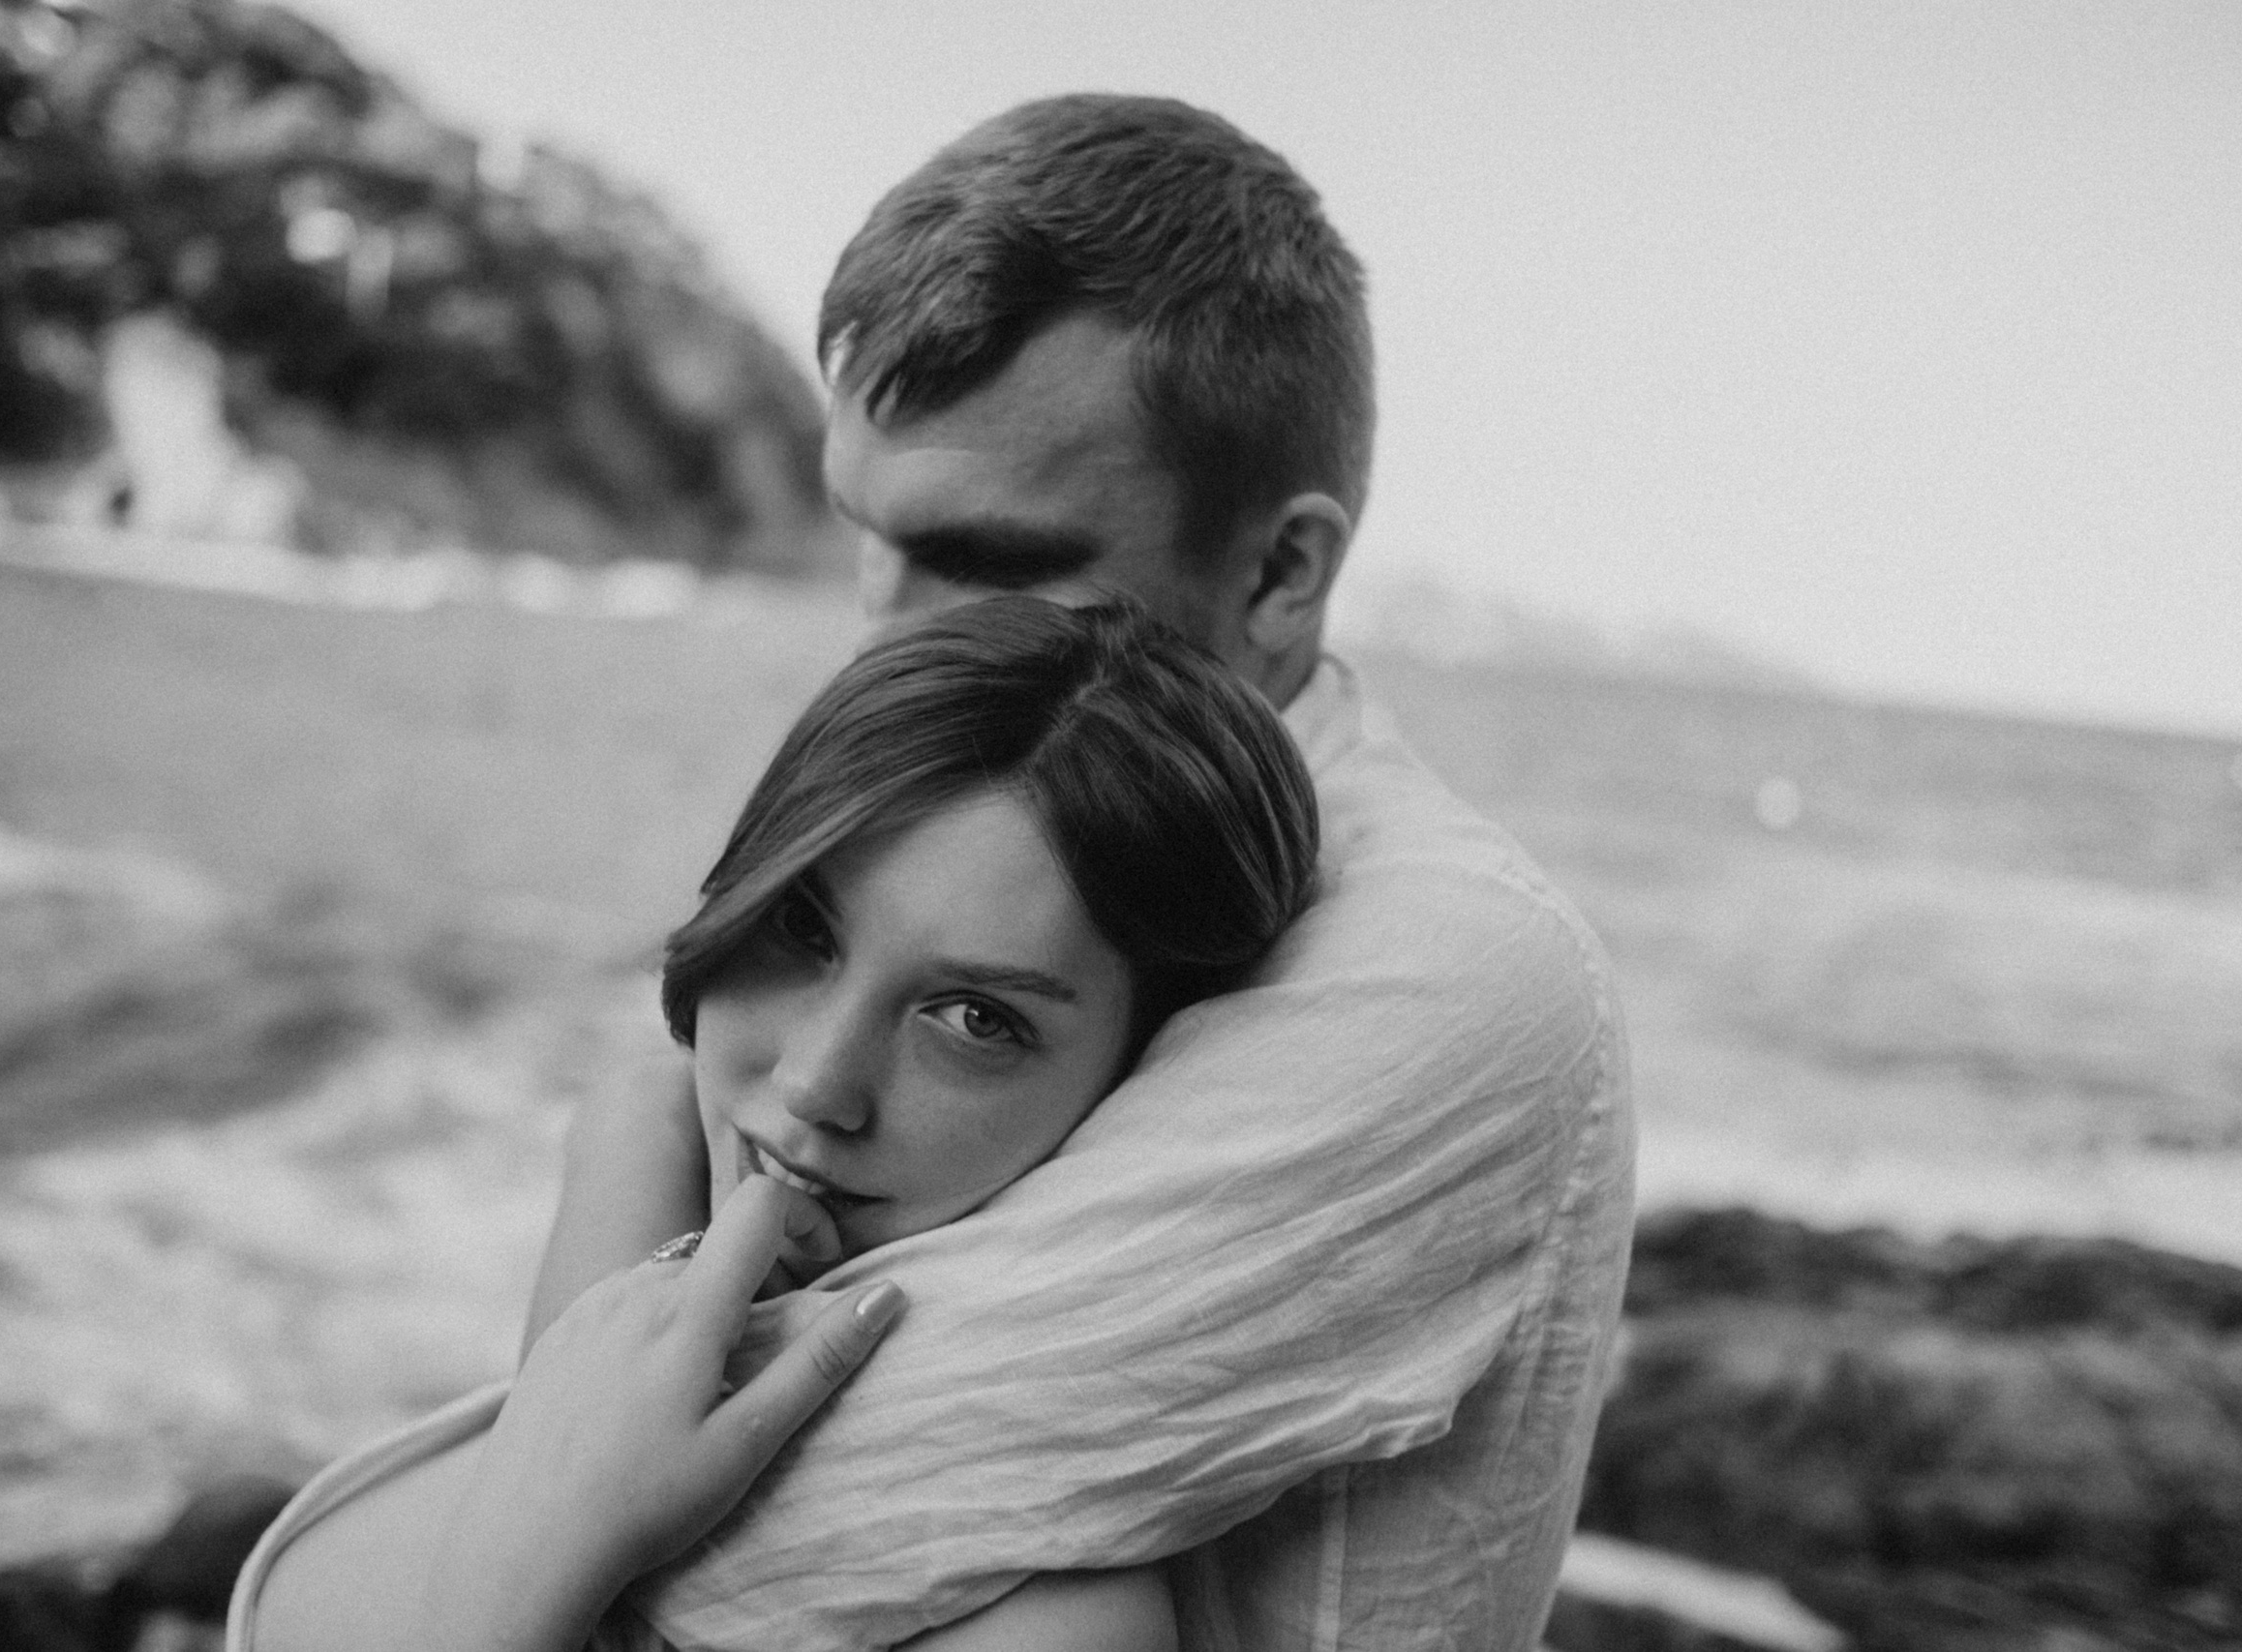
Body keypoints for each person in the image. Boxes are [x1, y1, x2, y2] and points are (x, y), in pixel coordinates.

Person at [522, 94, 1637, 1651]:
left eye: (988, 561)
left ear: (1279, 572)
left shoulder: (1452, 962)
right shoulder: (1005, 822)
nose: (886, 642)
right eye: (868, 537)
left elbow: (740, 1546)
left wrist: (522, 1470)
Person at [232, 597, 1328, 1651]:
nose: (812, 1084)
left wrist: (533, 1575)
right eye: (803, 928)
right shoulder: (648, 1146)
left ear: (1146, 1083)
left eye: (974, 1019)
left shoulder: (1051, 1629)